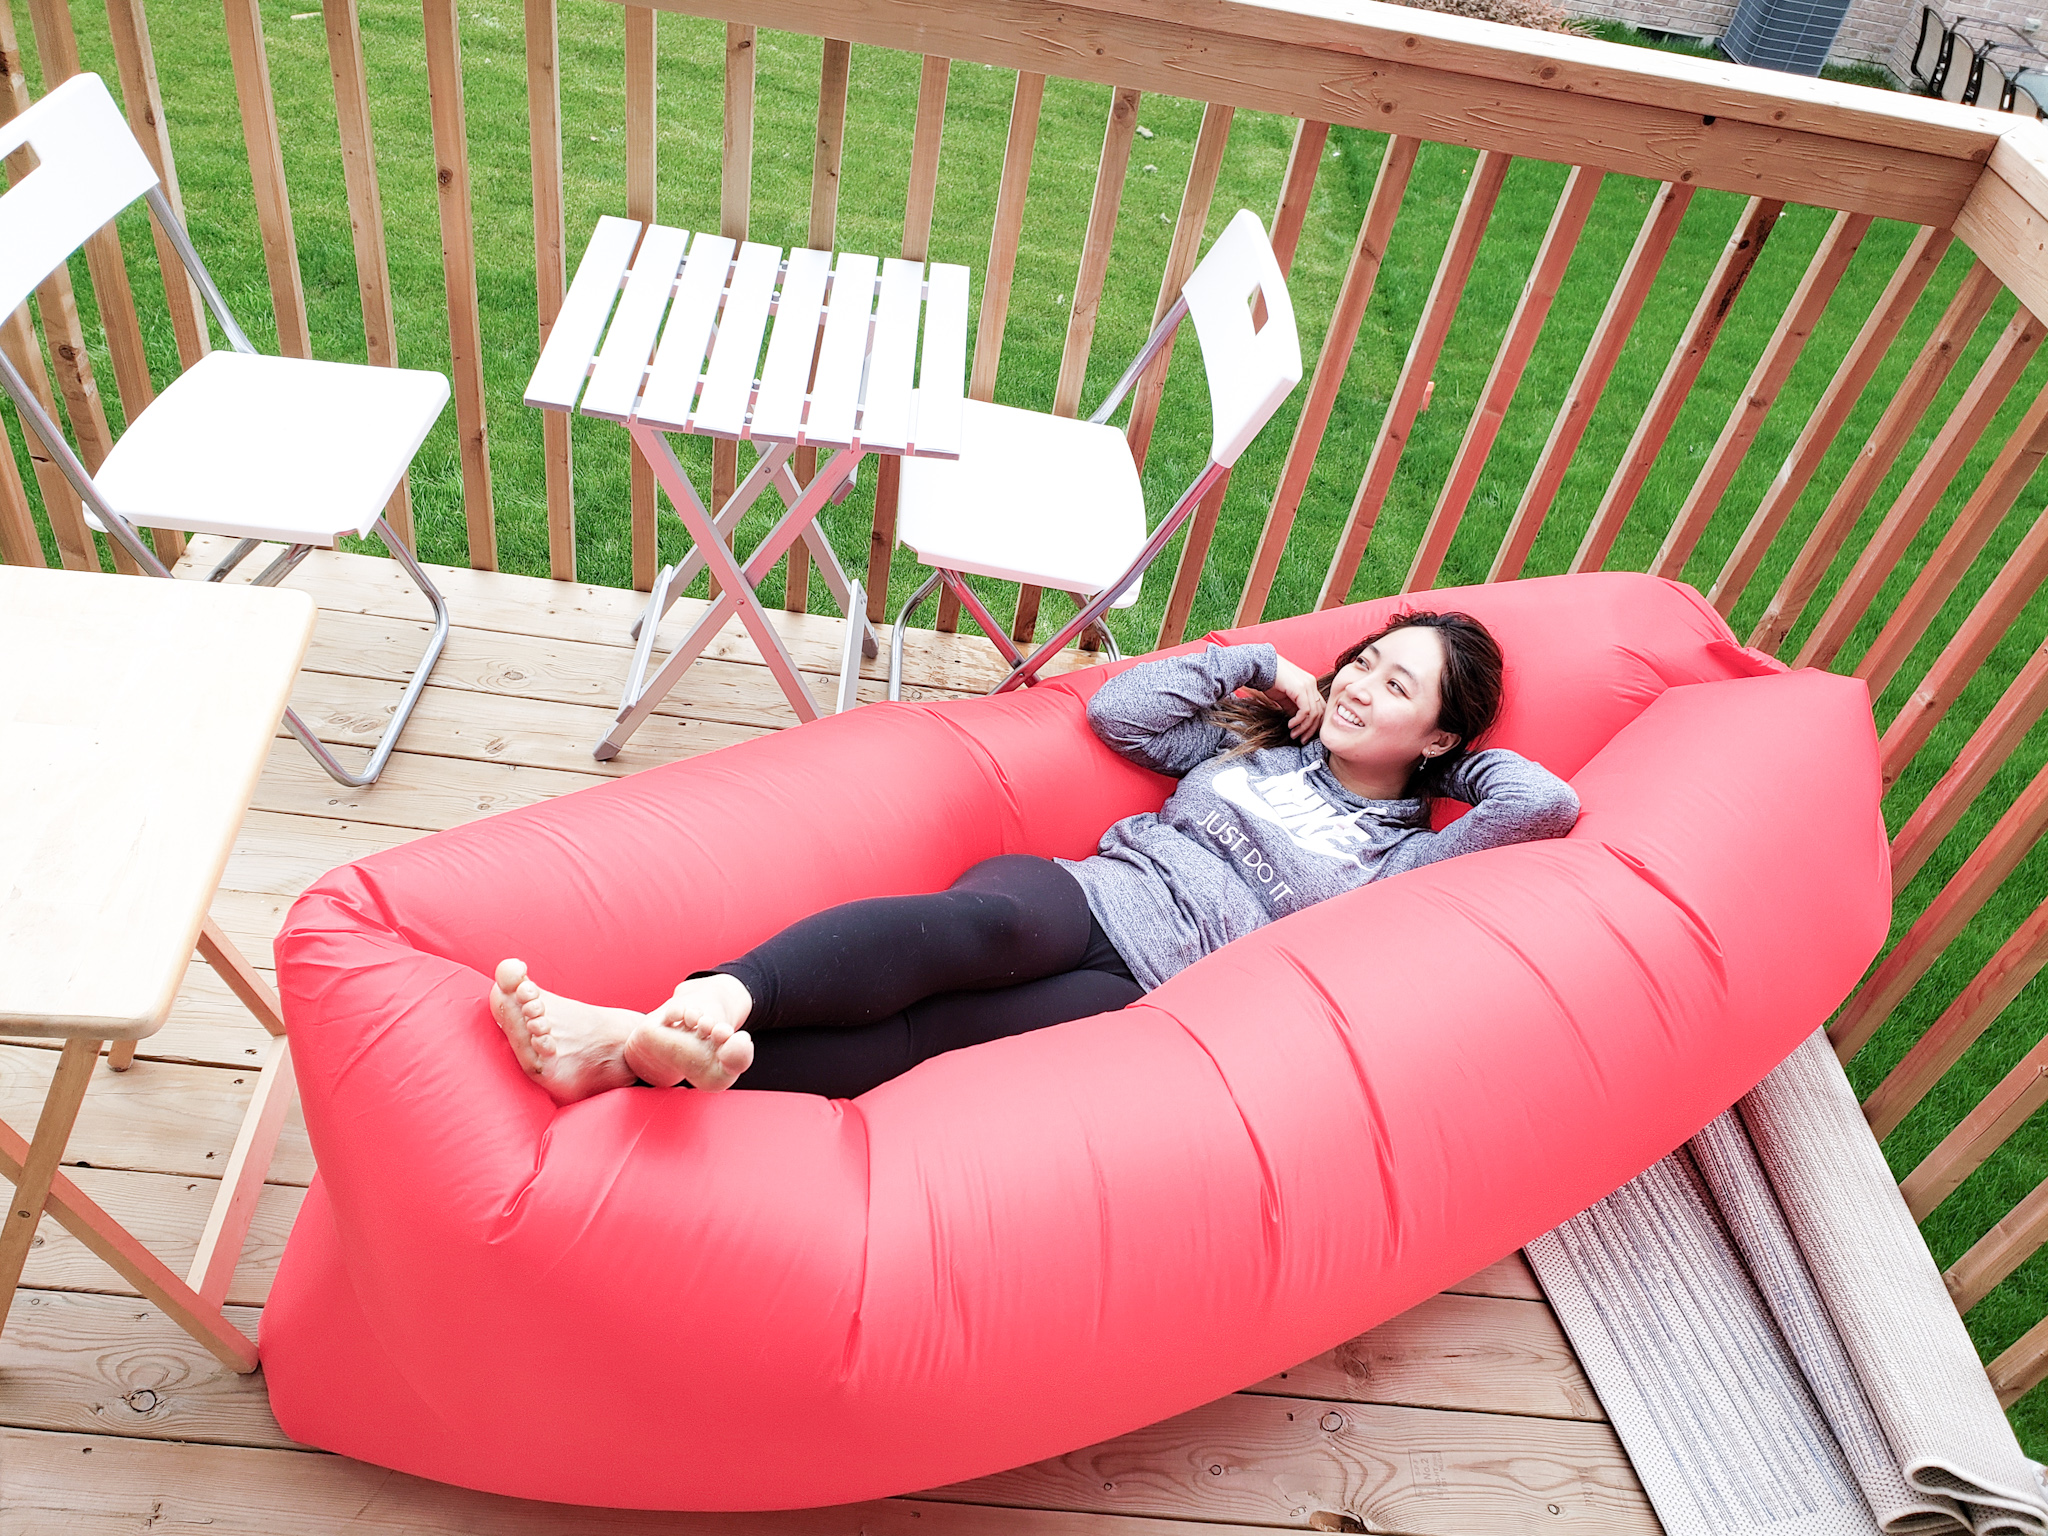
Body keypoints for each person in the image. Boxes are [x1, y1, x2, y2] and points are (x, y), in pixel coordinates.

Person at [488, 610, 1580, 1104]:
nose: (1357, 685)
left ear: (1438, 734)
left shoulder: (1402, 855)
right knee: (981, 930)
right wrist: (1262, 666)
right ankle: (717, 997)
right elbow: (1119, 713)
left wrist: (1439, 778)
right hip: (1088, 896)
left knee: (928, 1045)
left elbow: (1543, 798)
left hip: (1147, 988)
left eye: (1397, 688)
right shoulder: (1257, 740)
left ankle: (628, 1057)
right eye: (1363, 662)